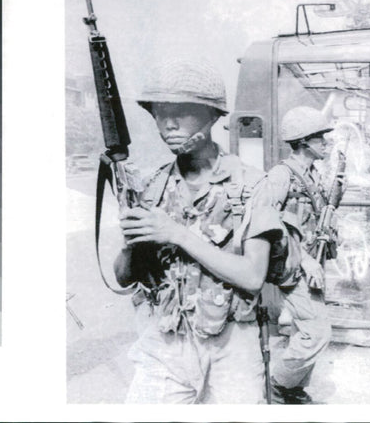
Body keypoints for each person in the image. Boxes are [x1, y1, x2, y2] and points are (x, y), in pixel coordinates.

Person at [113, 58, 282, 404]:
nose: (169, 123)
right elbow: (123, 278)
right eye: (160, 112)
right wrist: (134, 244)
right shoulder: (152, 186)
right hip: (166, 340)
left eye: (183, 111)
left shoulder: (251, 185)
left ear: (212, 115)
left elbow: (252, 276)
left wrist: (176, 233)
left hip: (231, 343)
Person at [260, 106, 336, 404]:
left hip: (311, 264)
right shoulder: (281, 175)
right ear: (304, 141)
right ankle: (277, 386)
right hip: (294, 267)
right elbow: (267, 218)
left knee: (306, 330)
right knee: (318, 333)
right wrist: (305, 258)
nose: (325, 143)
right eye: (320, 138)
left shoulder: (310, 175)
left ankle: (292, 392)